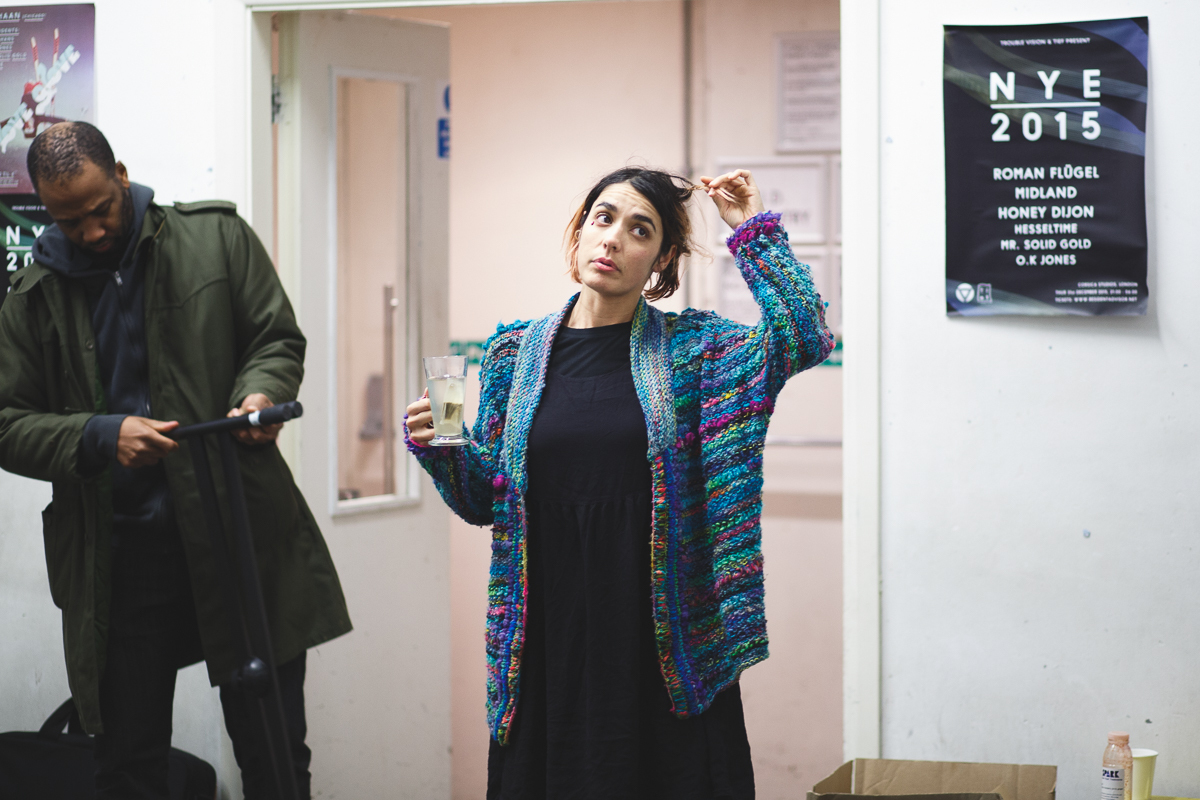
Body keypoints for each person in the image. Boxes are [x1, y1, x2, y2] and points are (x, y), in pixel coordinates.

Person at [405, 166, 835, 798]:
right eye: (603, 219)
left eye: (640, 230)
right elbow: (483, 498)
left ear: (660, 259)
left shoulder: (695, 352)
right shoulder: (511, 356)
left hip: (663, 648)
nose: (612, 240)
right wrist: (442, 445)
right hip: (547, 642)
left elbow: (803, 333)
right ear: (580, 232)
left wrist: (751, 230)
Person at [0, 121, 352, 799]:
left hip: (238, 536)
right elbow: (8, 424)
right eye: (69, 220)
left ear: (123, 175)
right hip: (121, 561)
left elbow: (276, 338)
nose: (93, 232)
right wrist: (101, 435)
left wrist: (263, 390)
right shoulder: (32, 296)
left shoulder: (214, 238)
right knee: (128, 768)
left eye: (101, 208)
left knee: (276, 753)